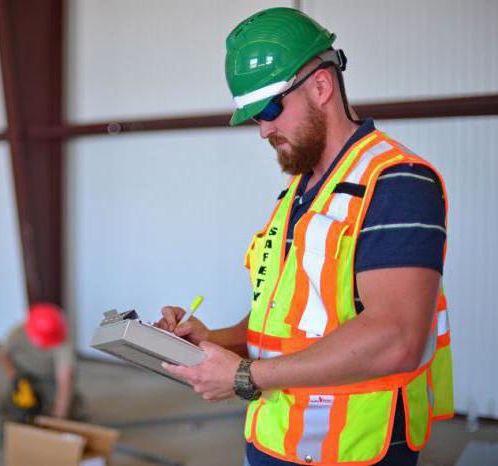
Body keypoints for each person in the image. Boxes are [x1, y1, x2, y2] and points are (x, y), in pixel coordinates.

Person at [158, 8, 453, 466]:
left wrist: (245, 377)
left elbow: (396, 336)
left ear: (321, 86)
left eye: (271, 109)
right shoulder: (298, 193)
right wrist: (211, 340)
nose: (265, 131)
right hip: (276, 441)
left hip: (354, 450)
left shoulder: (396, 182)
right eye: (254, 117)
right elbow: (284, 328)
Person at [0, 302, 84, 422]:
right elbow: (3, 354)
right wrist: (13, 375)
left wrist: (59, 416)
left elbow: (65, 380)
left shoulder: (62, 340)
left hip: (50, 377)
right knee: (15, 409)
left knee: (73, 410)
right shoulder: (17, 333)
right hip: (24, 373)